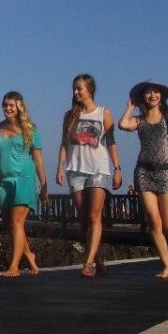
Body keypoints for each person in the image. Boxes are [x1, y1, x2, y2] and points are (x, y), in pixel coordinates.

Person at [119, 81, 168, 278]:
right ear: (142, 97)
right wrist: (129, 108)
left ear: (161, 96)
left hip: (167, 173)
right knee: (154, 222)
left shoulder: (167, 117)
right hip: (144, 173)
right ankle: (166, 265)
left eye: (156, 92)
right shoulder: (139, 120)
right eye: (148, 93)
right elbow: (123, 125)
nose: (152, 95)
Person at [55, 74, 121, 277]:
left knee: (94, 216)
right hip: (76, 170)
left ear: (90, 90)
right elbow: (64, 144)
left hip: (98, 169)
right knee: (84, 221)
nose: (75, 92)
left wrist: (117, 168)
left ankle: (89, 262)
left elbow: (110, 141)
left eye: (79, 89)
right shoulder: (70, 115)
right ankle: (98, 255)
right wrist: (60, 166)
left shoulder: (104, 113)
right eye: (74, 89)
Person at [0, 91, 47, 277]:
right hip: (3, 181)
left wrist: (44, 185)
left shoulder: (30, 129)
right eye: (5, 104)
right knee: (9, 224)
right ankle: (29, 254)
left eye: (11, 105)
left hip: (24, 179)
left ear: (19, 106)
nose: (7, 108)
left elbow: (38, 160)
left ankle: (14, 266)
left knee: (16, 221)